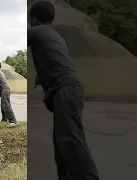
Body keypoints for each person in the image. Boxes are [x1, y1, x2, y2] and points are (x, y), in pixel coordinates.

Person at [28, 1, 99, 180]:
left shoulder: (38, 32)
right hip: (70, 89)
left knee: (70, 141)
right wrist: (41, 76)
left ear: (34, 18)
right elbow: (55, 59)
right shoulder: (53, 34)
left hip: (66, 89)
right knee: (62, 145)